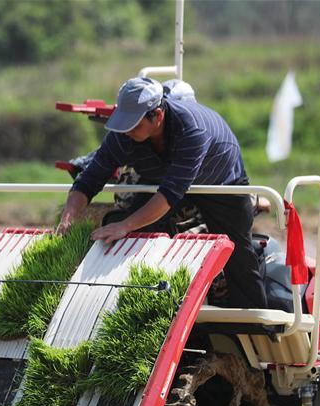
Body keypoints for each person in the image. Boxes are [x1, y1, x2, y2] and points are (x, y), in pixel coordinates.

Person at [58, 77, 268, 309]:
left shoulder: (191, 129)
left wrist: (126, 225)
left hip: (219, 182)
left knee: (237, 255)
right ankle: (140, 305)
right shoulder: (124, 134)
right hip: (163, 180)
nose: (126, 131)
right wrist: (69, 215)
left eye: (134, 125)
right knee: (126, 225)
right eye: (124, 124)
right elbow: (90, 177)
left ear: (157, 116)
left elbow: (169, 196)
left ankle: (257, 327)